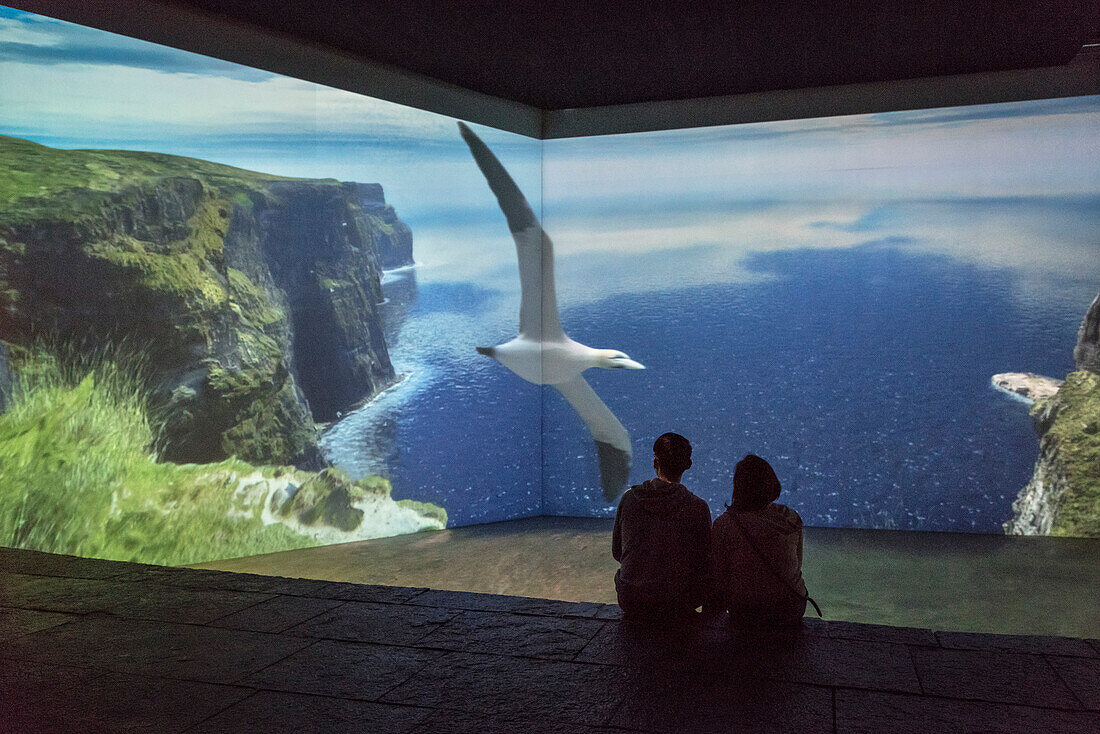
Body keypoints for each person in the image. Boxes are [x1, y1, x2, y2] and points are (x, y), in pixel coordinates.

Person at [612, 432, 712, 620]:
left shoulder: (629, 499)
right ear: (687, 465)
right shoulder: (698, 507)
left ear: (655, 462)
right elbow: (704, 563)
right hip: (678, 602)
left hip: (631, 600)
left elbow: (618, 553)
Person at [709, 454, 814, 627]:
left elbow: (721, 576)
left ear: (738, 487)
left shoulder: (725, 524)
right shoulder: (791, 517)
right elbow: (796, 565)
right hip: (792, 608)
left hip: (748, 612)